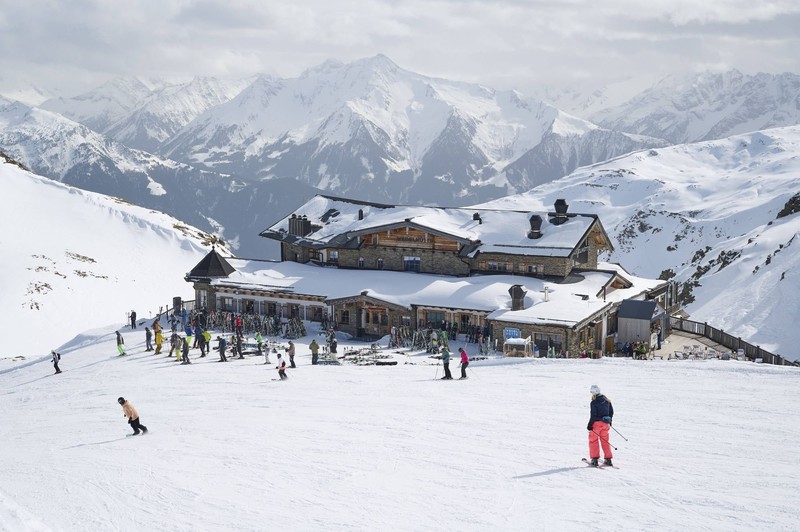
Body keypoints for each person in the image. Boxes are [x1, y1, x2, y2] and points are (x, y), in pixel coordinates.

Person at [587, 384, 614, 467]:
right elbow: (611, 412)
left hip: (596, 424)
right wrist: (610, 422)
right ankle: (608, 459)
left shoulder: (594, 402)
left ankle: (594, 459)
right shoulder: (607, 400)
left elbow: (593, 415)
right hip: (606, 424)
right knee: (605, 441)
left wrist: (590, 425)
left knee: (593, 440)